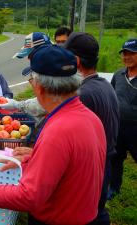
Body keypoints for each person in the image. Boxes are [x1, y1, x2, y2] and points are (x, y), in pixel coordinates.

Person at [0, 45, 106, 225]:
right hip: (86, 216)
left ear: (39, 87)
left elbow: (28, 197)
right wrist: (37, 157)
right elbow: (74, 164)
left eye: (31, 80)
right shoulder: (91, 118)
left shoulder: (58, 131)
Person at [64, 32, 119, 225]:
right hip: (105, 163)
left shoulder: (83, 94)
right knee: (97, 209)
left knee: (87, 215)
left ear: (76, 61)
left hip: (91, 168)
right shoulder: (105, 85)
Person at [0, 32, 51, 124]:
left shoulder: (52, 73)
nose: (28, 58)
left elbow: (47, 102)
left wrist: (18, 105)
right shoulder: (49, 66)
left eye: (30, 55)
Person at [109, 39, 137, 199]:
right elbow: (112, 97)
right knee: (116, 158)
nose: (127, 57)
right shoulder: (118, 75)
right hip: (118, 126)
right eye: (125, 53)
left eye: (132, 53)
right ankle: (114, 187)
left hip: (135, 127)